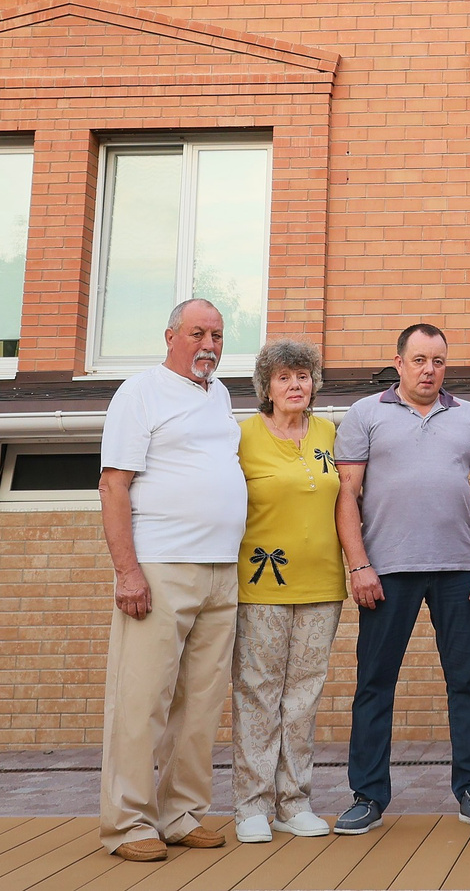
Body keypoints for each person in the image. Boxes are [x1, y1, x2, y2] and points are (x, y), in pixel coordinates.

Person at [333, 322, 470, 835]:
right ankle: (367, 796)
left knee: (468, 685)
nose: (429, 369)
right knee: (374, 685)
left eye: (437, 361)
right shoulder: (365, 414)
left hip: (458, 569)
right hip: (386, 571)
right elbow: (347, 496)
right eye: (419, 360)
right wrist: (359, 564)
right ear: (399, 362)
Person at [97, 299, 246, 861]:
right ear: (170, 336)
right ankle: (128, 823)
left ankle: (181, 814)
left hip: (220, 570)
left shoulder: (221, 395)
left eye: (216, 334)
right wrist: (127, 571)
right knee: (142, 701)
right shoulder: (140, 392)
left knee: (202, 703)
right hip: (159, 568)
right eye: (196, 333)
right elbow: (114, 485)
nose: (208, 344)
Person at [229, 338, 342, 844]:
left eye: (303, 376)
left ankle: (294, 802)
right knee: (259, 694)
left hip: (323, 583)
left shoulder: (329, 431)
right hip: (261, 585)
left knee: (303, 697)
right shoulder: (242, 434)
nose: (296, 385)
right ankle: (251, 805)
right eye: (284, 378)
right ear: (266, 388)